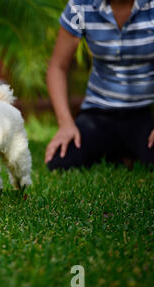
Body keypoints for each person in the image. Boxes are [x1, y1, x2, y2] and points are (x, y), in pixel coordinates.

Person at [45, 0, 154, 170]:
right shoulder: (80, 6)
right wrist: (65, 123)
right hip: (97, 113)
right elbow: (57, 67)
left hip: (142, 114)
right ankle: (119, 155)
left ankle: (121, 154)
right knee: (61, 160)